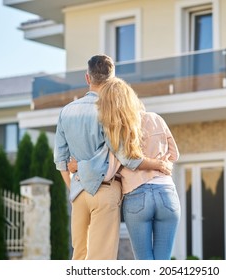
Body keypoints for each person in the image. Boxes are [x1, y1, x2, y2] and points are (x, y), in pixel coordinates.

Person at [54, 54, 172, 260]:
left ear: (87, 78)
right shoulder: (111, 111)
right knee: (101, 260)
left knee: (79, 257)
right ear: (112, 79)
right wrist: (158, 163)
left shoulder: (66, 111)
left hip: (78, 193)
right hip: (106, 191)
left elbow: (61, 161)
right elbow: (127, 158)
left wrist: (74, 189)